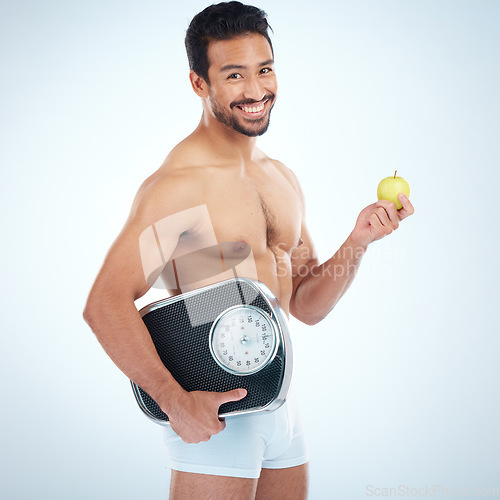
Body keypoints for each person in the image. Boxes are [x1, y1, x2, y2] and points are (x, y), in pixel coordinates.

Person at [82, 2, 415, 499]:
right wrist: (175, 403)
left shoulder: (279, 178)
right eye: (234, 75)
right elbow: (105, 304)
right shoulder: (180, 187)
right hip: (215, 415)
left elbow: (304, 304)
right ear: (200, 83)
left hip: (281, 405)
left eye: (265, 70)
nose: (257, 91)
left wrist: (358, 240)